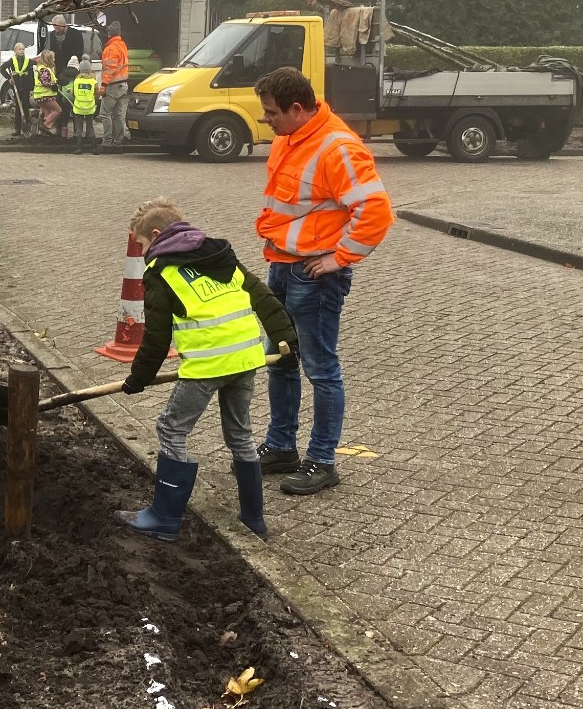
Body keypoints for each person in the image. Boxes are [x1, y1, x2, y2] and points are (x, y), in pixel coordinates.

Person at [115, 198, 298, 542]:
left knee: (171, 429)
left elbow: (156, 337)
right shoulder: (220, 256)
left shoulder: (162, 272)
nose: (141, 253)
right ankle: (253, 519)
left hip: (207, 364)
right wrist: (287, 342)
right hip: (246, 358)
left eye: (141, 244)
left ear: (156, 234)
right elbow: (265, 299)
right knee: (241, 435)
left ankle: (164, 517)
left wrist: (137, 380)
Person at [253, 67, 394, 496]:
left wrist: (338, 258)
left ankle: (322, 460)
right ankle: (281, 448)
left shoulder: (339, 147)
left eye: (272, 113)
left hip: (312, 275)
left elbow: (376, 210)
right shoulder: (290, 138)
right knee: (281, 359)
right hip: (283, 264)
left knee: (320, 368)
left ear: (298, 109)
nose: (267, 121)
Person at [99, 20, 130, 151]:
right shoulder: (122, 45)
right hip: (122, 85)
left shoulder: (111, 48)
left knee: (104, 114)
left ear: (109, 34)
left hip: (112, 85)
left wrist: (104, 85)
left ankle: (106, 141)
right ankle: (118, 141)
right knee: (117, 115)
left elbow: (110, 69)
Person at [0, 42, 33, 137]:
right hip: (17, 88)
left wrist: (32, 87)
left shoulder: (27, 61)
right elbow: (2, 68)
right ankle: (17, 129)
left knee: (25, 107)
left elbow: (31, 74)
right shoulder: (12, 60)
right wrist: (9, 78)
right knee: (18, 108)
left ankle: (26, 127)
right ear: (15, 51)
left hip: (26, 87)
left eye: (23, 49)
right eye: (20, 49)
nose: (21, 51)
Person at [70, 57, 100, 154]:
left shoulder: (76, 81)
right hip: (90, 108)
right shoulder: (93, 82)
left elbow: (73, 94)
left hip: (78, 108)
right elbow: (97, 95)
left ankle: (78, 148)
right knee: (90, 126)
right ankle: (93, 148)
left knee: (79, 127)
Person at [31, 50, 62, 135]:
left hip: (39, 95)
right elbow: (45, 83)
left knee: (48, 113)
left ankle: (43, 133)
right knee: (58, 110)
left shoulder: (40, 68)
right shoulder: (45, 70)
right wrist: (53, 86)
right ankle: (44, 126)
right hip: (45, 95)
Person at [50, 16, 85, 85]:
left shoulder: (76, 34)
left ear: (63, 25)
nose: (56, 30)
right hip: (57, 69)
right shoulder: (52, 35)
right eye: (55, 28)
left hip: (71, 70)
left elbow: (79, 52)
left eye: (58, 28)